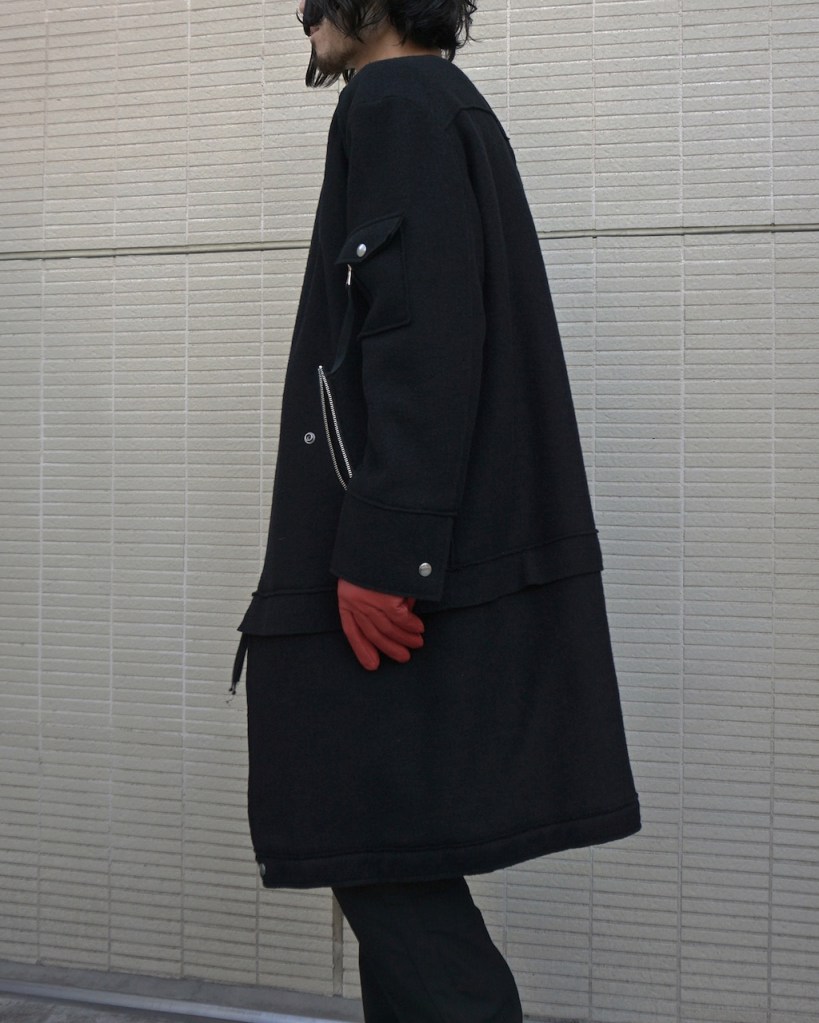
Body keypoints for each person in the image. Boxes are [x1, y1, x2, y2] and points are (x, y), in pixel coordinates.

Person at [229, 0, 641, 1018]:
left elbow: (418, 336)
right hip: (421, 561)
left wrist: (384, 555)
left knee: (380, 862)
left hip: (391, 582)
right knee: (390, 854)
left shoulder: (397, 104)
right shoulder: (437, 105)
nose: (302, 15)